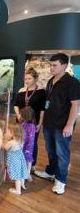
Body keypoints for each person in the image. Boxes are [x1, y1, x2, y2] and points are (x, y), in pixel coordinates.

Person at [34, 53, 80, 195]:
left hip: (62, 125)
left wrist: (69, 125)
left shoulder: (72, 83)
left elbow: (75, 105)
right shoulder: (50, 81)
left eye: (54, 65)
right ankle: (51, 171)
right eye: (50, 65)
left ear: (64, 66)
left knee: (62, 152)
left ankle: (61, 180)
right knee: (50, 150)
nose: (51, 68)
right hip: (49, 123)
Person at [14, 67, 45, 171]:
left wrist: (40, 123)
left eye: (29, 79)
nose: (27, 81)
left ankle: (32, 165)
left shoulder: (41, 92)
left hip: (33, 122)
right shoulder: (21, 91)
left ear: (35, 79)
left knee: (32, 143)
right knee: (20, 141)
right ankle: (21, 162)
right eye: (25, 79)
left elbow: (42, 109)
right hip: (21, 121)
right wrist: (18, 115)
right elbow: (16, 104)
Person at [3, 123, 28, 196]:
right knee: (20, 173)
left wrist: (4, 140)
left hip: (14, 161)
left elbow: (5, 147)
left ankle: (18, 191)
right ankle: (22, 185)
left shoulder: (11, 142)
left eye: (9, 132)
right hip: (20, 159)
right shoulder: (20, 140)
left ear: (13, 133)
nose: (7, 132)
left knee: (17, 177)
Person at [20, 106, 36, 181]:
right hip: (23, 145)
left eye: (22, 115)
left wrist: (28, 149)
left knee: (28, 161)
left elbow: (31, 139)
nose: (20, 116)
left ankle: (28, 174)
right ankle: (24, 173)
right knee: (23, 159)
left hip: (28, 147)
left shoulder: (32, 126)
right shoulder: (24, 123)